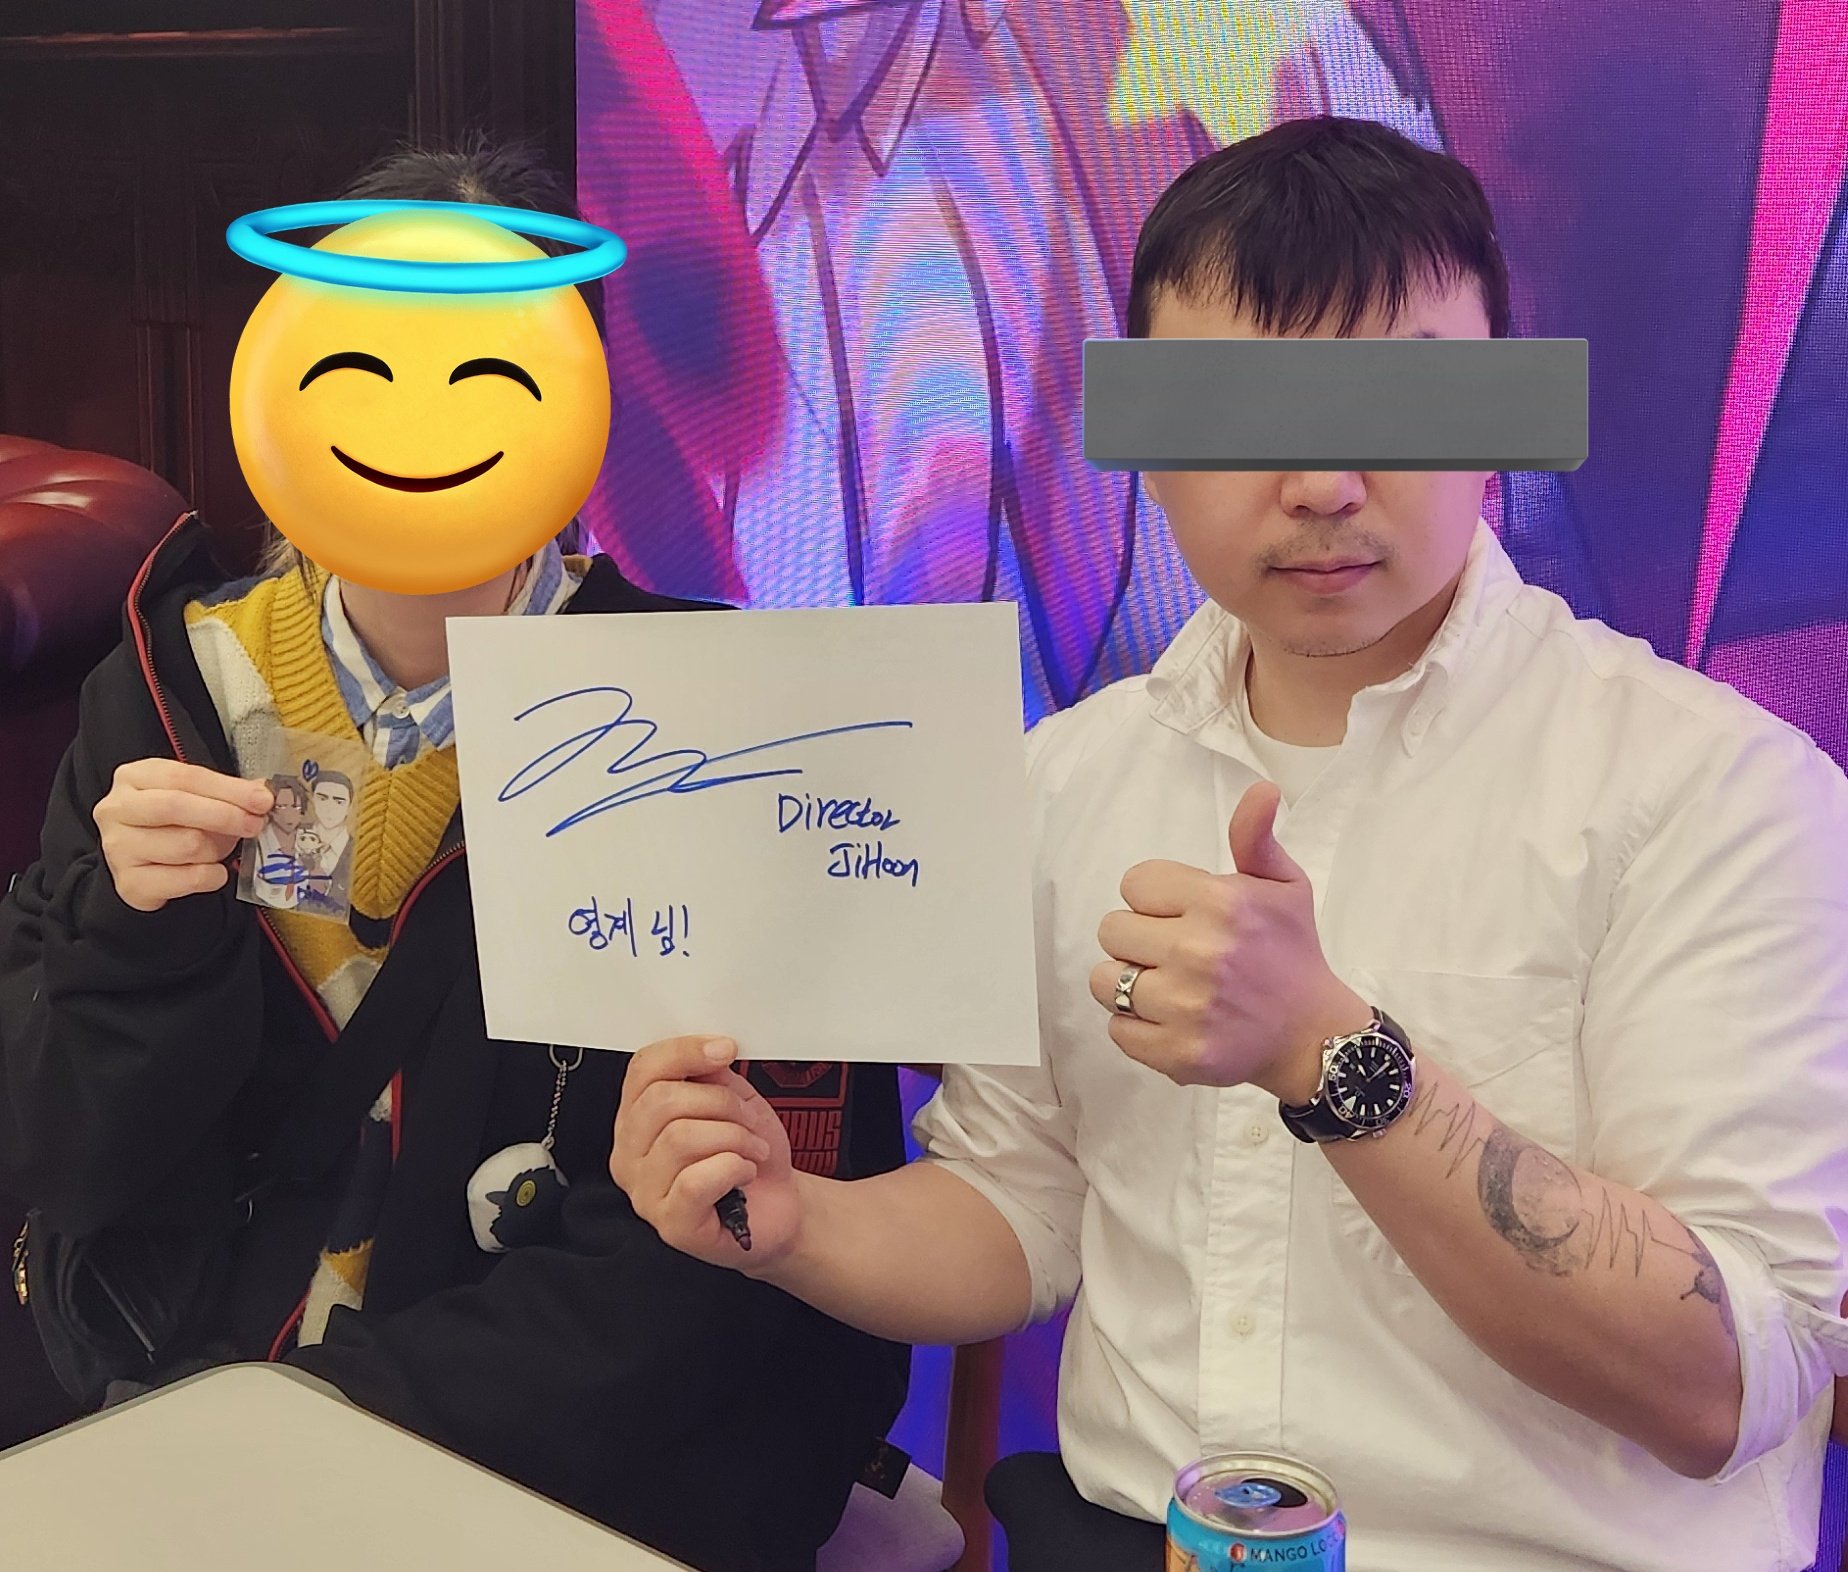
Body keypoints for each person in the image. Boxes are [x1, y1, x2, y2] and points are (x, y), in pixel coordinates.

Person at [612, 117, 1848, 1572]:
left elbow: (1729, 1386)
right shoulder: (1066, 779)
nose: (1320, 482)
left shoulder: (1716, 791)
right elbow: (1021, 1205)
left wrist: (1334, 1058)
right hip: (1131, 1535)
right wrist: (788, 1224)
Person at [0, 140, 907, 1572]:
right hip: (179, 1403)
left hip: (548, 1459)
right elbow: (63, 1155)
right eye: (362, 367)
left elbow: (733, 1239)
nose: (417, 421)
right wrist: (132, 934)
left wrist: (319, 1424)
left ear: (572, 402)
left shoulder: (719, 719)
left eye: (484, 371)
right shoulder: (166, 692)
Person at [248, 773, 308, 909]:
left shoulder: (310, 843)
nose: (289, 814)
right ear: (271, 811)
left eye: (295, 807)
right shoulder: (254, 847)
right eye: (282, 806)